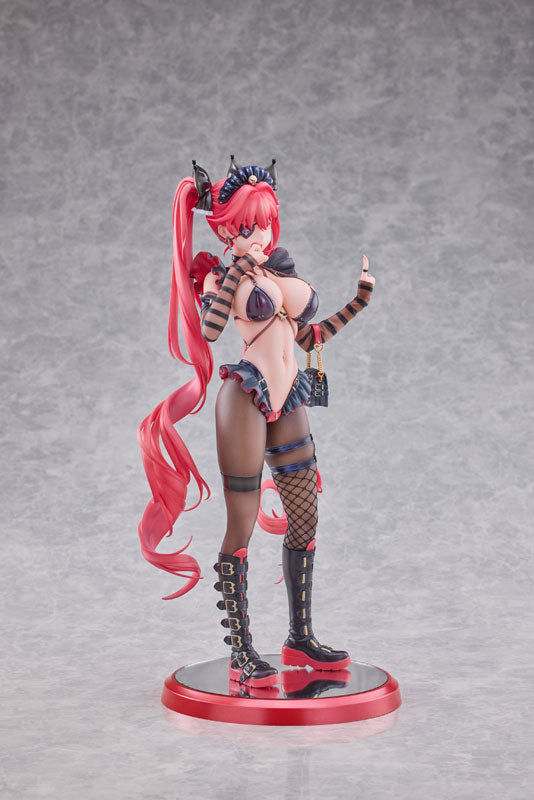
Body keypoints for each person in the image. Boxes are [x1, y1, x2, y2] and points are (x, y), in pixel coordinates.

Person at [137, 157, 375, 687]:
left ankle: (300, 638)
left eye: (264, 223)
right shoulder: (224, 276)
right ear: (226, 231)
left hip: (289, 397)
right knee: (241, 523)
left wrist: (359, 301)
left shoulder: (278, 272)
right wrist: (235, 272)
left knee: (305, 518)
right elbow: (211, 328)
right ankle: (241, 650)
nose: (259, 234)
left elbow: (308, 338)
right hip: (245, 396)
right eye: (246, 227)